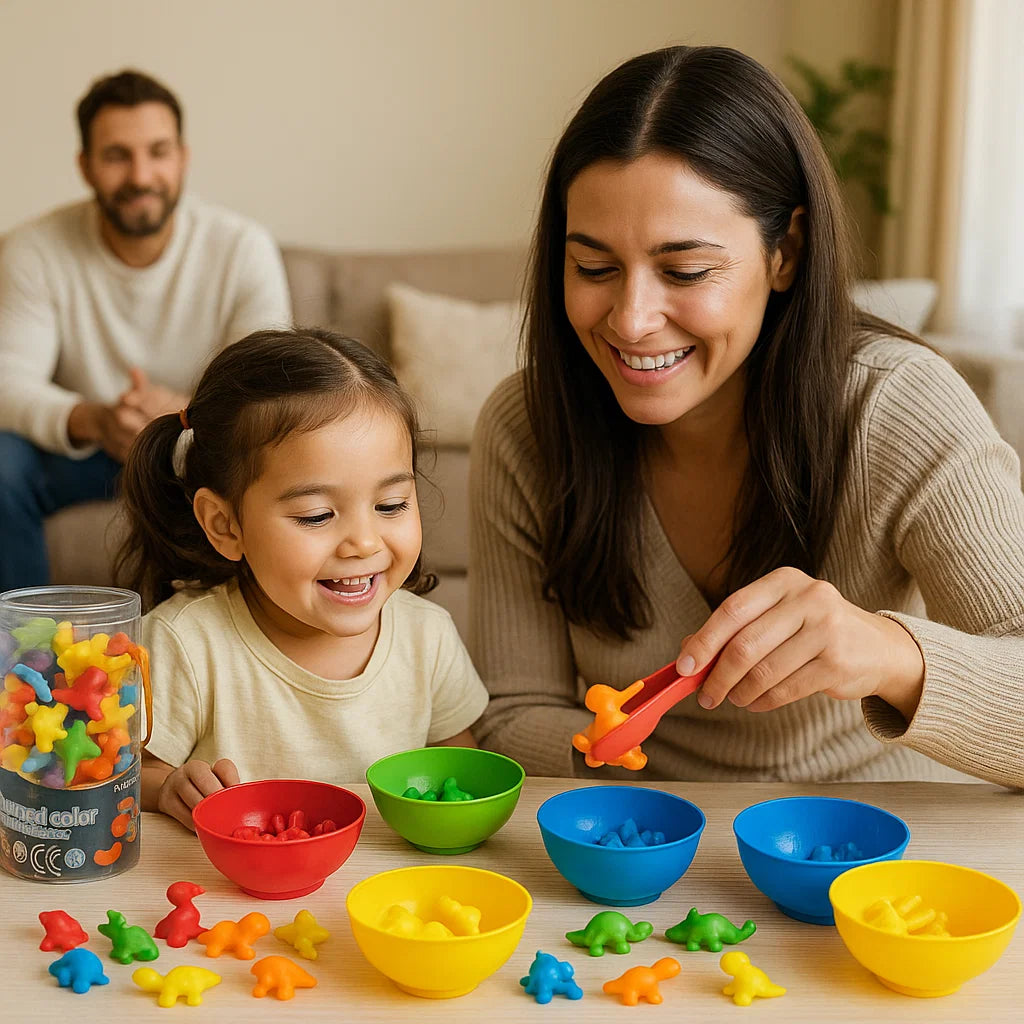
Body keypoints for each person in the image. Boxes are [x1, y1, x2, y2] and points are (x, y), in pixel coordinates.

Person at [469, 45, 1024, 788]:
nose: (631, 321)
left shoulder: (900, 406)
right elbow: (516, 712)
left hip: (882, 839)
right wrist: (621, 776)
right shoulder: (526, 426)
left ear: (785, 252)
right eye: (593, 268)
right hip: (645, 849)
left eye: (685, 271)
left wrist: (892, 653)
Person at [118, 328, 488, 830]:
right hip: (241, 896)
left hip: (390, 896)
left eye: (391, 505)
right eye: (316, 515)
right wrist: (168, 788)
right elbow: (125, 773)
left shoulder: (429, 635)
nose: (363, 542)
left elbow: (459, 771)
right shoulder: (186, 642)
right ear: (225, 525)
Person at [0, 69, 291, 591]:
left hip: (196, 443)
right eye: (117, 156)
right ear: (85, 166)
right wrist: (92, 418)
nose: (141, 175)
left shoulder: (243, 247)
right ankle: (25, 660)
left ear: (182, 157)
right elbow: (8, 382)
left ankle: (209, 659)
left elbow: (269, 385)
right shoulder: (33, 249)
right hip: (90, 449)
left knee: (266, 452)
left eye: (158, 151)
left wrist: (180, 415)